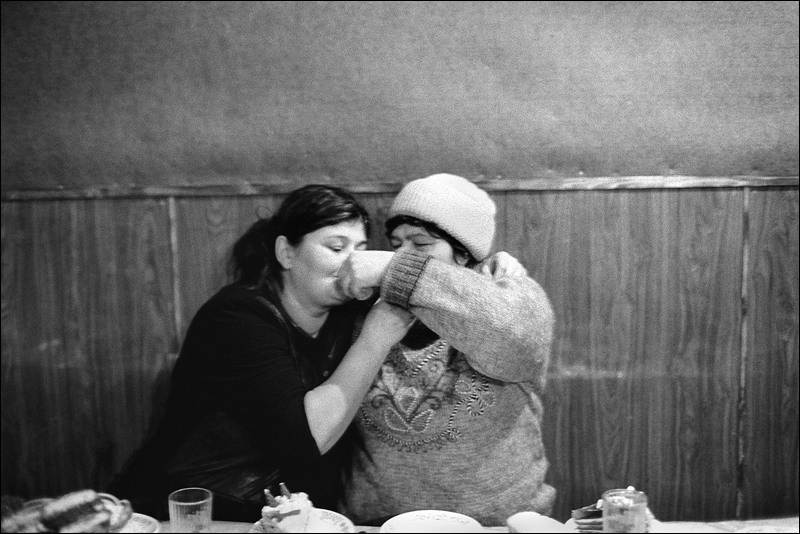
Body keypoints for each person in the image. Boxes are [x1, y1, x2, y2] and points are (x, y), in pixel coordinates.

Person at [107, 185, 414, 521]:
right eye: (336, 247)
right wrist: (375, 339)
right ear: (286, 252)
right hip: (188, 514)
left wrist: (451, 269)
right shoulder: (237, 317)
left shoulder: (343, 311)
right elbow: (306, 439)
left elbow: (449, 301)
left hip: (274, 517)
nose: (354, 262)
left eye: (362, 250)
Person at [335, 173, 557, 526]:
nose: (403, 256)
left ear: (464, 253)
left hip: (498, 525)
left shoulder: (515, 299)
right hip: (378, 523)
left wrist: (396, 270)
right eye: (396, 245)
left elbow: (517, 338)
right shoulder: (367, 312)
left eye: (420, 245)